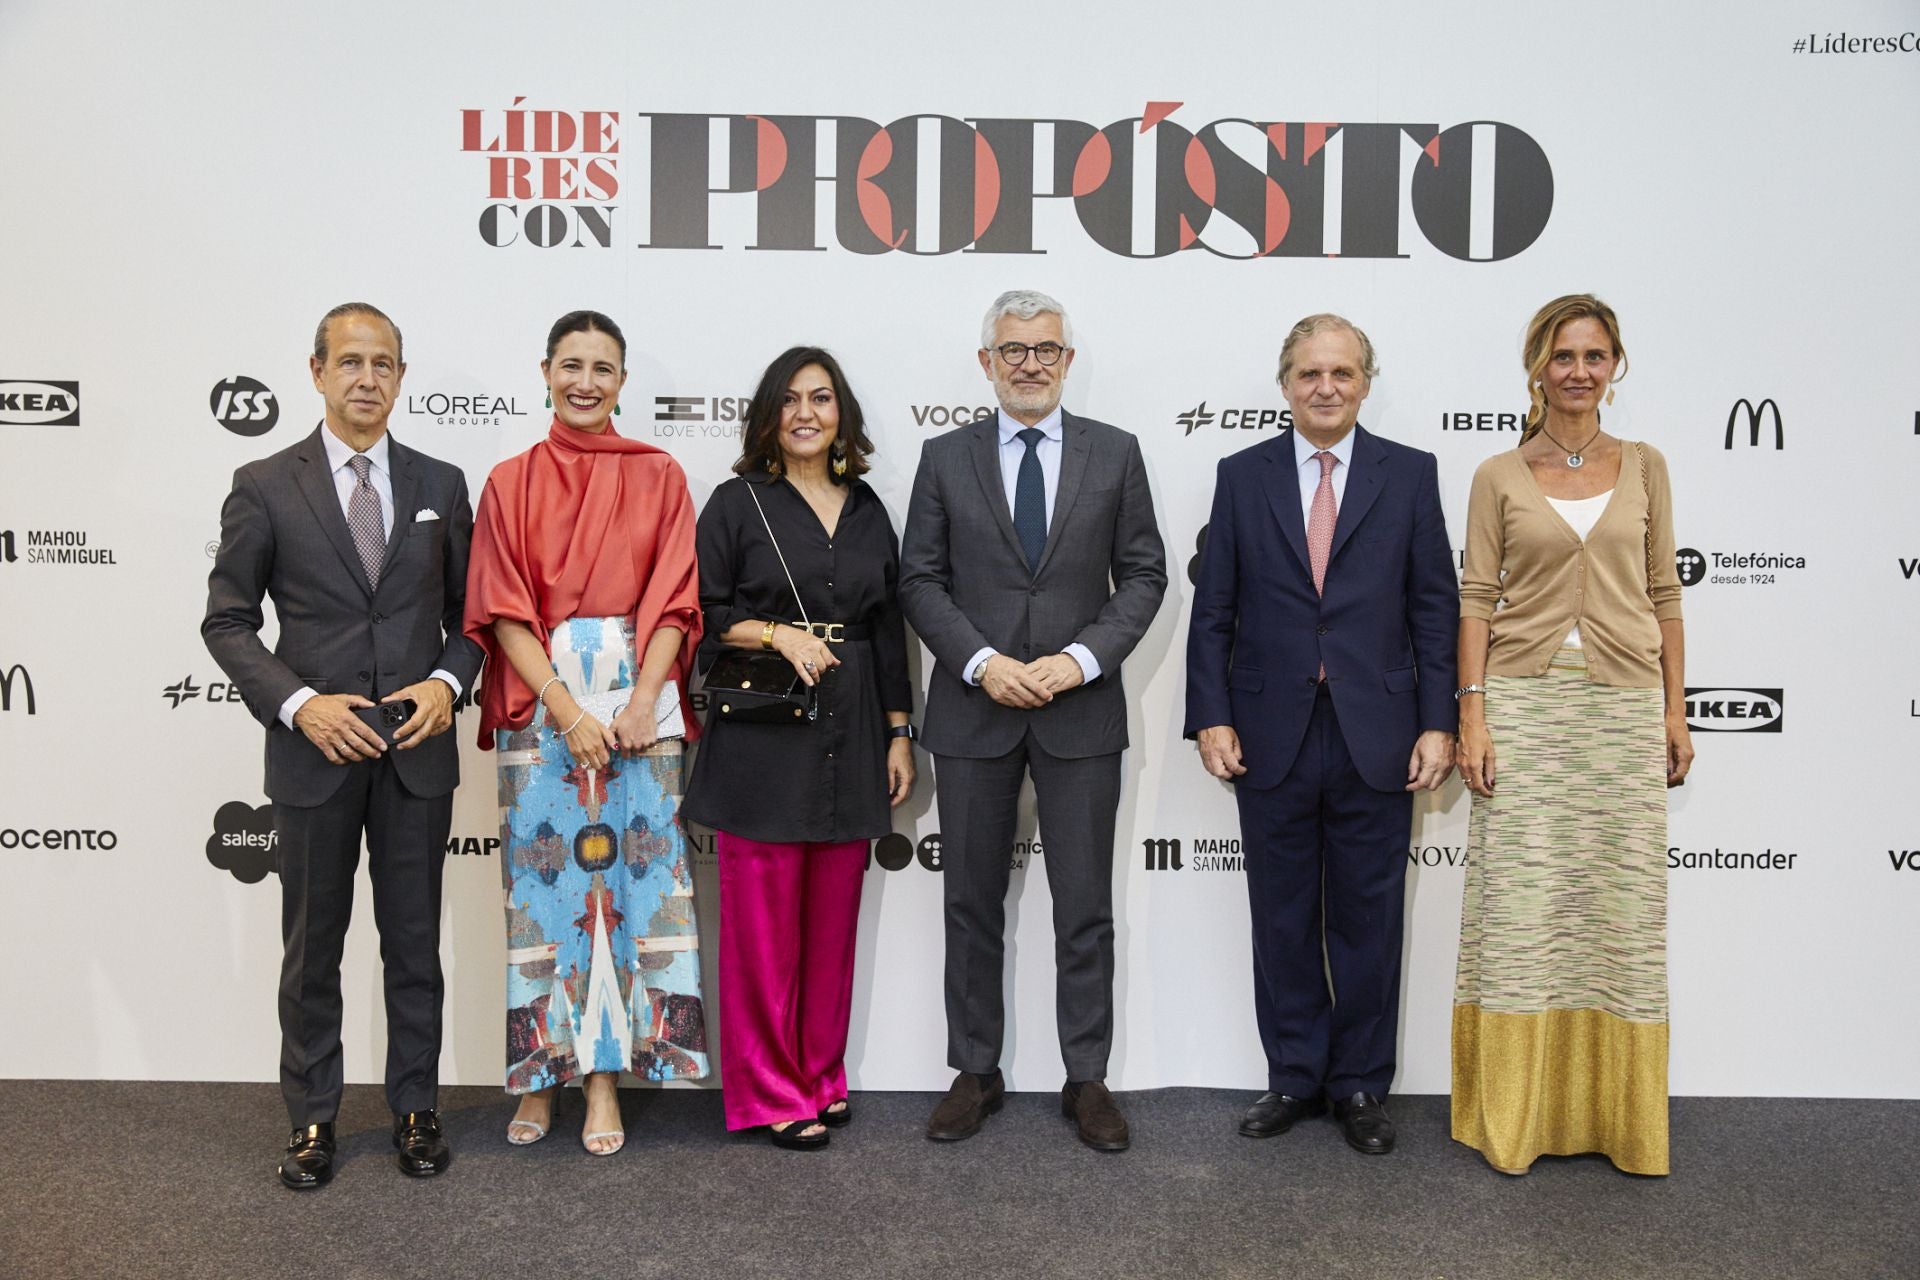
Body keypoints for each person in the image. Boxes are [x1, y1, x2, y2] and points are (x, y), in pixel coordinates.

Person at [203, 302, 484, 1190]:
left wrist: (445, 685)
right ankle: (313, 1121)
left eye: (385, 364)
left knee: (413, 944)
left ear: (402, 376)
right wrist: (297, 705)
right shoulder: (263, 483)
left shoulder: (442, 481)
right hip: (313, 758)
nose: (369, 378)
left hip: (415, 755)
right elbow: (229, 621)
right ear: (317, 371)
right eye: (351, 362)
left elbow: (471, 618)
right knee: (312, 945)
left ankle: (416, 1109)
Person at [899, 289, 1167, 1152]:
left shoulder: (1116, 454)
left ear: (1067, 360)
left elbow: (1144, 578)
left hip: (1080, 713)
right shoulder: (945, 458)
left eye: (1045, 349)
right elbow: (920, 583)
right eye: (1012, 350)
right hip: (975, 712)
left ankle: (1085, 1079)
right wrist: (983, 663)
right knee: (970, 903)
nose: (1029, 364)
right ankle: (975, 1072)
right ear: (986, 364)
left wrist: (1079, 660)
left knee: (1084, 907)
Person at [1185, 313, 1457, 1156]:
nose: (1326, 387)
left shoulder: (1410, 474)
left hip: (1379, 732)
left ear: (1365, 383)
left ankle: (1362, 1083)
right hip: (1270, 731)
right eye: (1309, 374)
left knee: (1369, 920)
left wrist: (1439, 722)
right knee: (1283, 915)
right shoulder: (1241, 475)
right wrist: (1211, 715)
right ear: (1286, 384)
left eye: (1341, 373)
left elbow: (1433, 609)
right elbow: (1214, 610)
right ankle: (1297, 1076)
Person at [1451, 294, 1691, 1176]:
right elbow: (1476, 597)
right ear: (1536, 368)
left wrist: (1674, 707)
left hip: (1622, 709)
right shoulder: (1499, 474)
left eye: (1595, 356)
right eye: (1563, 356)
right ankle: (1515, 1117)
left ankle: (1617, 1120)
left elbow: (1665, 593)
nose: (1578, 371)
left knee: (1618, 912)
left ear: (1614, 366)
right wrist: (1471, 712)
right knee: (1521, 913)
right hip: (1523, 706)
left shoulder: (1648, 467)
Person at [464, 310, 710, 1157]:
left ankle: (605, 1078)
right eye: (572, 365)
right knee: (543, 901)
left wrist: (643, 700)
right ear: (544, 371)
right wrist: (569, 708)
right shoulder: (509, 481)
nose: (586, 382)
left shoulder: (660, 473)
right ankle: (541, 1077)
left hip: (644, 709)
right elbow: (501, 610)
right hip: (544, 708)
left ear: (623, 382)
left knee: (632, 900)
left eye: (603, 369)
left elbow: (676, 599)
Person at [681, 347, 916, 1151]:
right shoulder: (736, 503)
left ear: (841, 412)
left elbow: (888, 631)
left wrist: (897, 731)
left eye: (821, 398)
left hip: (851, 732)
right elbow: (703, 615)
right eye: (790, 400)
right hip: (763, 733)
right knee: (762, 933)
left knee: (830, 929)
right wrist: (778, 632)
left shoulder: (867, 506)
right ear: (768, 417)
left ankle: (821, 1077)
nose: (807, 412)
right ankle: (767, 1091)